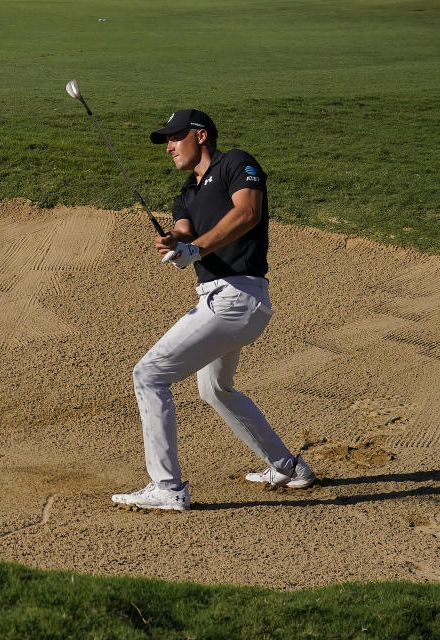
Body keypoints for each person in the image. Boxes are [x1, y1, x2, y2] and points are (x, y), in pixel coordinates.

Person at [111, 109, 315, 512]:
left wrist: (198, 249)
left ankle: (167, 488)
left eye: (175, 137)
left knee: (149, 375)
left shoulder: (235, 164)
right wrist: (174, 243)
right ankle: (289, 467)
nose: (168, 147)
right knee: (215, 388)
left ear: (200, 136)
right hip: (218, 301)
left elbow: (247, 213)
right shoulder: (185, 194)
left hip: (239, 297)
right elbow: (185, 231)